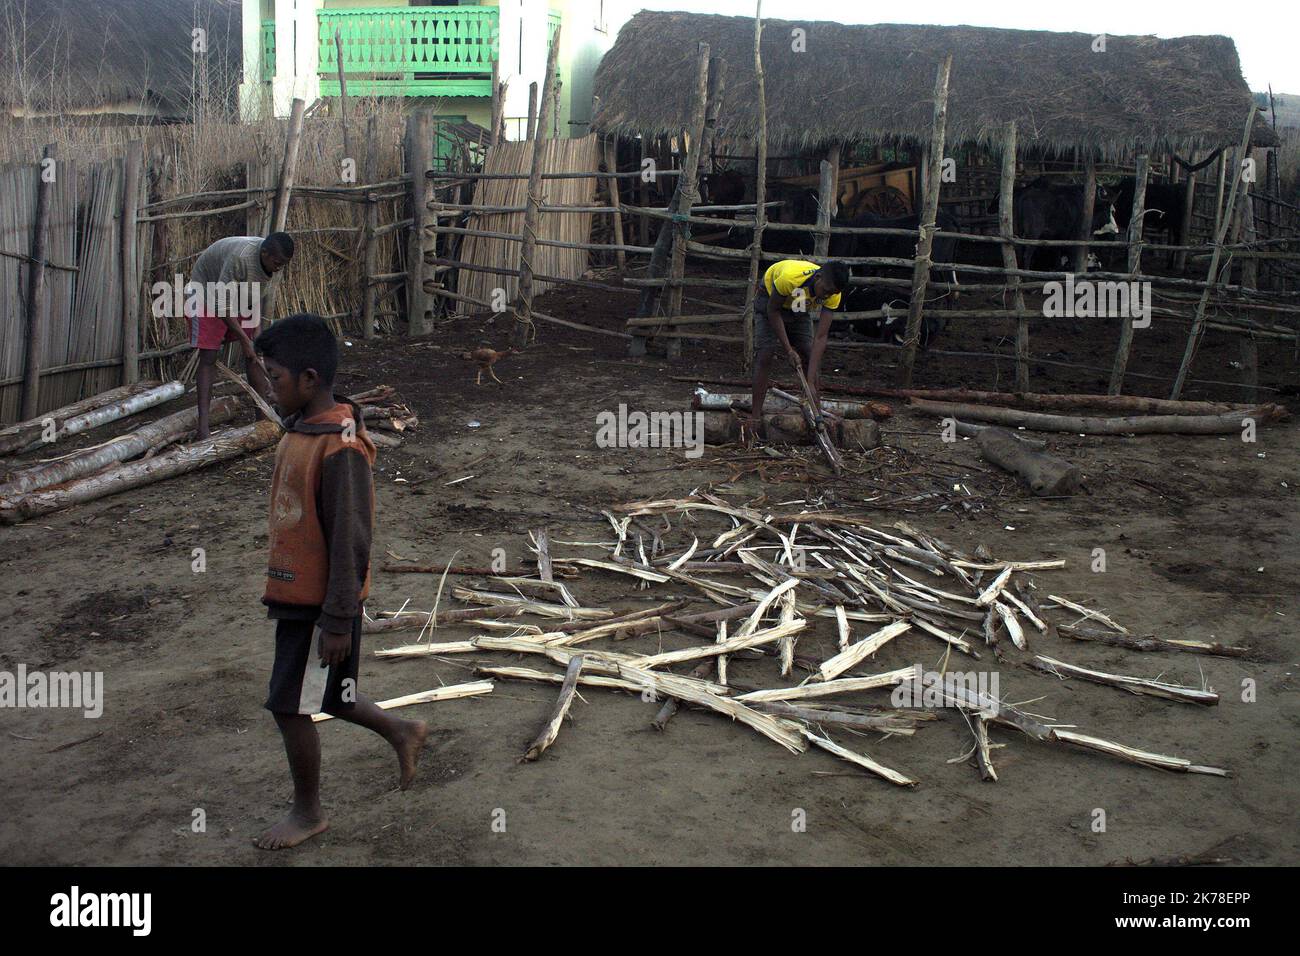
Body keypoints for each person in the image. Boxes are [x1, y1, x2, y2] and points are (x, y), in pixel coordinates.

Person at [251, 314, 427, 851]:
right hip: (300, 594)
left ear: (308, 379)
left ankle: (308, 813)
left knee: (291, 705)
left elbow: (352, 538)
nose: (267, 386)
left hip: (320, 605)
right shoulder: (305, 427)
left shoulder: (341, 448)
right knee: (336, 694)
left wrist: (336, 618)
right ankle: (403, 731)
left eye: (274, 377)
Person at [187, 233, 295, 440]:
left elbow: (257, 293)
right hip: (207, 291)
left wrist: (255, 332)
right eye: (277, 263)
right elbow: (220, 304)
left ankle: (262, 417)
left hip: (237, 292)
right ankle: (203, 429)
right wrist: (245, 341)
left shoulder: (272, 264)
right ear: (264, 253)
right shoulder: (240, 258)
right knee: (209, 357)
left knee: (254, 353)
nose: (280, 268)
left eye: (283, 264)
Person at [750, 259, 850, 430]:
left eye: (830, 294)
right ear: (818, 277)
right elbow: (773, 311)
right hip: (770, 298)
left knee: (808, 354)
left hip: (798, 302)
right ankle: (755, 418)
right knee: (766, 354)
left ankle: (817, 417)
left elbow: (821, 336)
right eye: (825, 291)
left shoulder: (833, 292)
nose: (826, 296)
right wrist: (788, 350)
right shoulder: (790, 278)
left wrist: (810, 381)